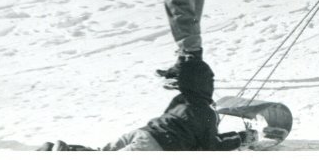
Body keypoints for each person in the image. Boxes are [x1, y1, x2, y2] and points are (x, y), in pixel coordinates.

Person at [38, 58, 256, 151]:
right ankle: (66, 157)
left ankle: (70, 151)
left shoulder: (180, 99)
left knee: (104, 153)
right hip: (156, 145)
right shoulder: (206, 113)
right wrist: (240, 138)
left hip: (143, 132)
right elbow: (210, 147)